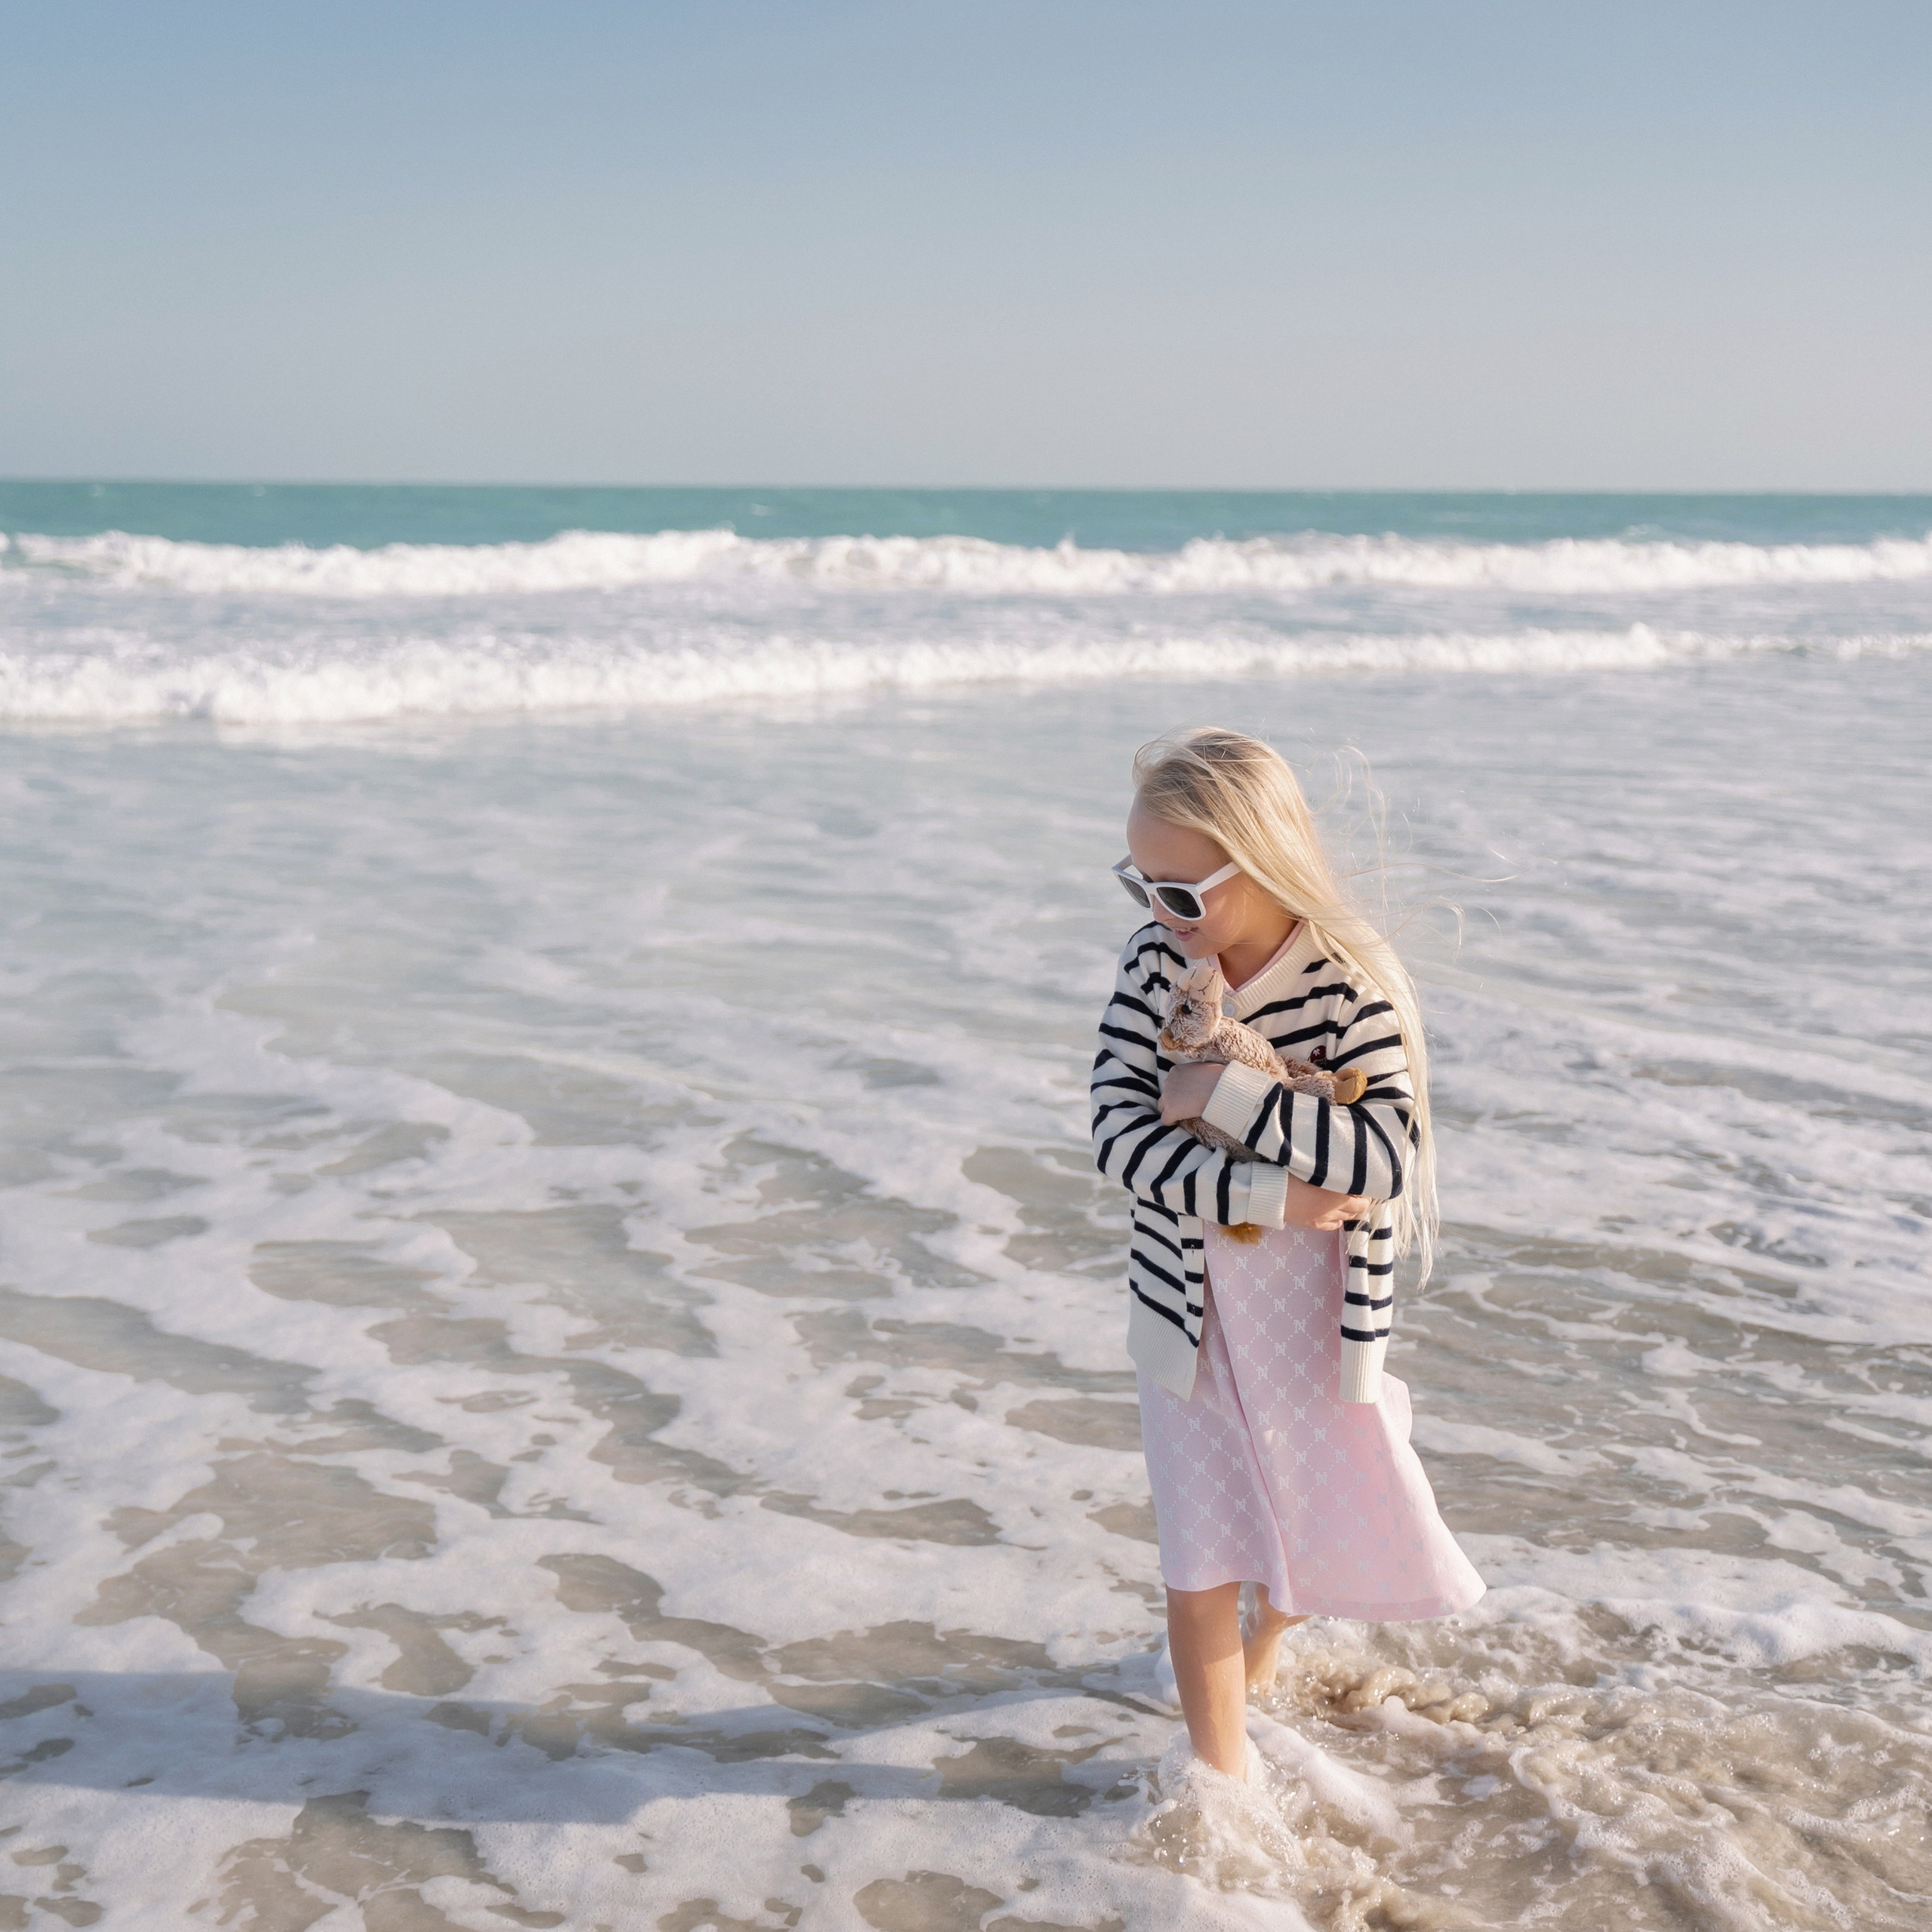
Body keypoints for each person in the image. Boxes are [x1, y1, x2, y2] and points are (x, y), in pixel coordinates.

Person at [1090, 727, 1484, 1783]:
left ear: (1260, 866)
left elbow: (1381, 1157)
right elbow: (1119, 1137)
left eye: (1181, 896)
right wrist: (1266, 1190)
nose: (1159, 921)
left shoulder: (1348, 987)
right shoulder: (1156, 969)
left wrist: (1219, 1094)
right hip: (1189, 1312)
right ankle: (1225, 1792)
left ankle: (1272, 1641)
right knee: (1199, 1552)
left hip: (1315, 1314)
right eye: (1143, 889)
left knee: (1304, 1522)